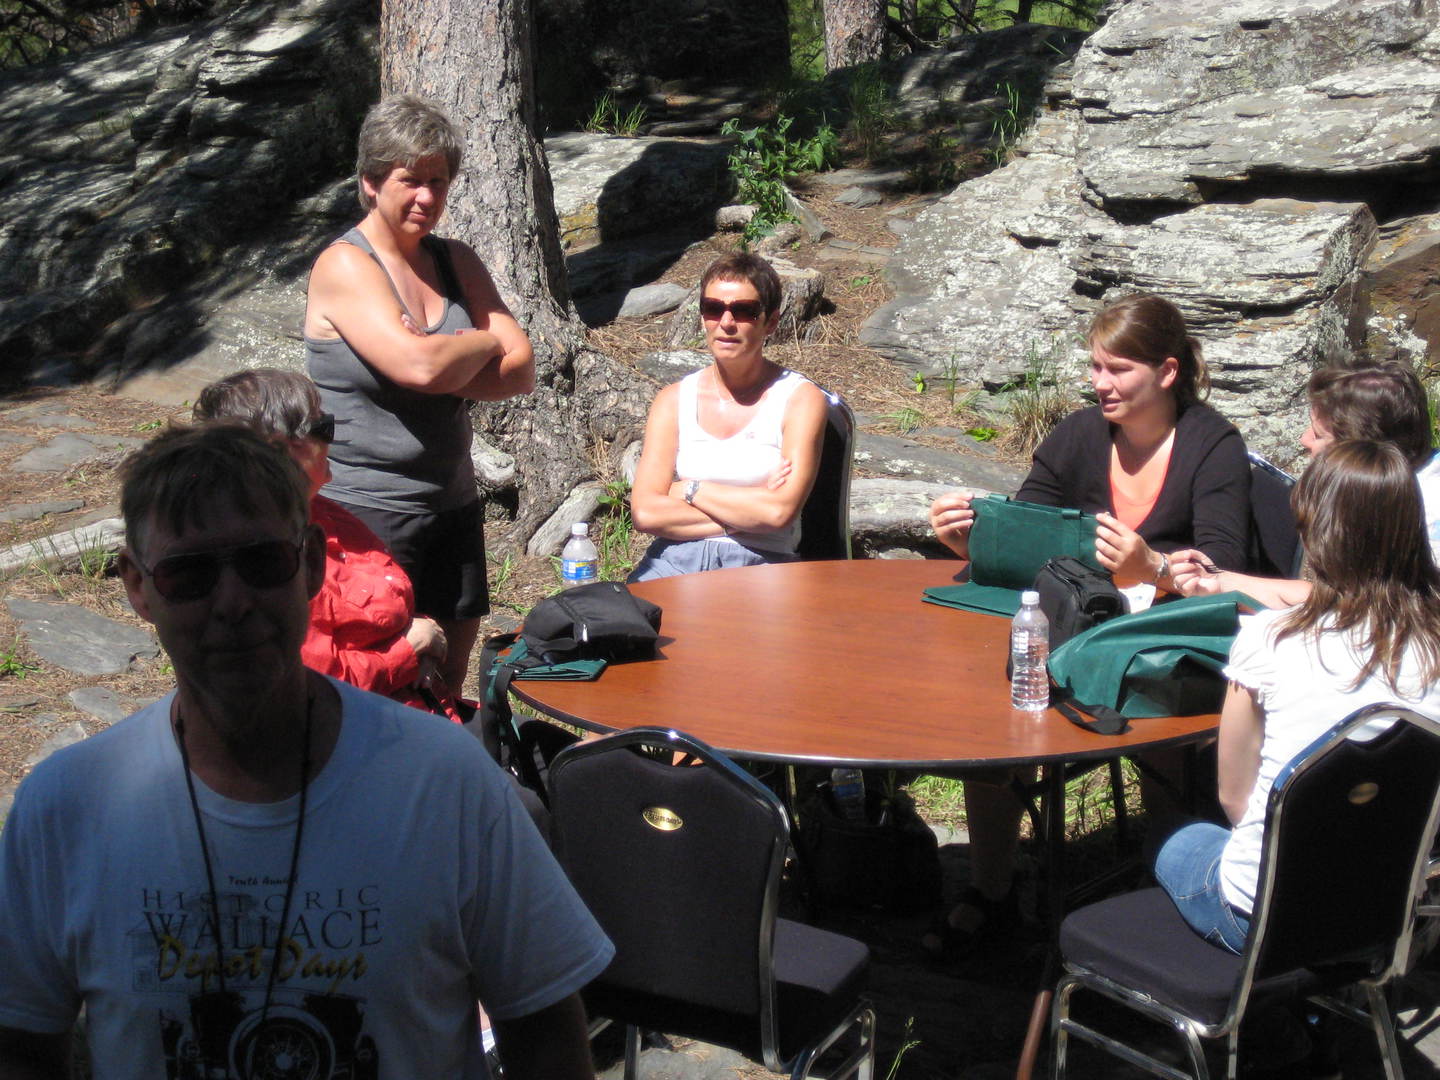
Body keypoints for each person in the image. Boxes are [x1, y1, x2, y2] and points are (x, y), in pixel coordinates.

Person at [0, 424, 611, 1078]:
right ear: (137, 586)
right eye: (189, 574)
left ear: (314, 563)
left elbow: (545, 1028)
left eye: (262, 562)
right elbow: (21, 1045)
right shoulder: (65, 810)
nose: (232, 602)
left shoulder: (445, 782)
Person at [922, 293, 1252, 958]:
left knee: (1154, 711)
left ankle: (1167, 893)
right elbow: (1026, 538)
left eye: (1118, 369)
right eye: (1096, 366)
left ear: (1167, 372)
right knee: (991, 699)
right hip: (1069, 626)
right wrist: (970, 542)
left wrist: (1152, 567)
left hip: (1161, 648)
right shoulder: (1078, 436)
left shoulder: (1212, 445)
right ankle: (992, 890)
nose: (1100, 382)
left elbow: (1224, 573)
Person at [1154, 439, 1440, 952]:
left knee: (1174, 839)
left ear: (1315, 532)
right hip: (1386, 911)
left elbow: (1235, 799)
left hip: (1262, 916)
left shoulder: (1272, 640)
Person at [305, 94, 535, 697]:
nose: (427, 198)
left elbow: (520, 369)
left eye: (438, 182)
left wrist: (449, 351)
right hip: (368, 511)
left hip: (452, 504)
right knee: (377, 684)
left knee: (447, 683)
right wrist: (481, 343)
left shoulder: (455, 261)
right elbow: (420, 367)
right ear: (371, 182)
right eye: (410, 180)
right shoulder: (345, 266)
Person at [194, 368, 456, 718]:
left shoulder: (323, 511)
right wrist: (410, 649)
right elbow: (316, 684)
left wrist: (418, 635)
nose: (333, 439)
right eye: (323, 427)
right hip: (362, 733)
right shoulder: (273, 564)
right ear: (280, 449)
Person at [628, 252, 829, 580]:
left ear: (771, 322)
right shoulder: (673, 400)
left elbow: (778, 514)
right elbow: (646, 513)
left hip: (761, 564)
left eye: (744, 310)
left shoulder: (799, 399)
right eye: (713, 308)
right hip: (672, 560)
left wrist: (690, 489)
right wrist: (750, 511)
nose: (726, 322)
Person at [1172, 361, 1440, 605]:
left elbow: (1352, 606)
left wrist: (1218, 581)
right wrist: (1216, 579)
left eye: (1319, 435)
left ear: (1361, 451)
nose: (1305, 439)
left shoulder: (1418, 515)